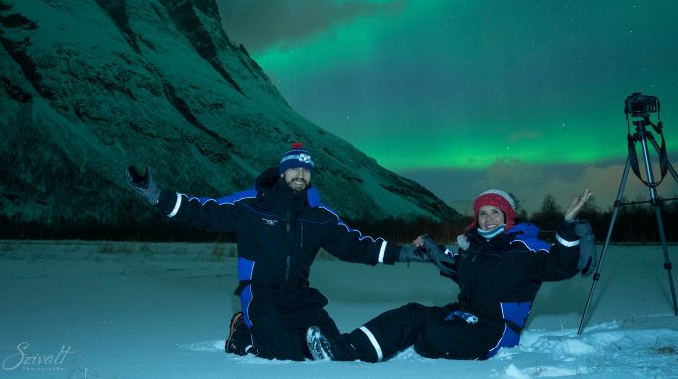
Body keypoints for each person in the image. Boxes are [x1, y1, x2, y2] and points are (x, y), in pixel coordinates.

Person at [125, 142, 427, 361]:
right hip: (261, 294)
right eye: (294, 167)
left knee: (333, 349)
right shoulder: (252, 205)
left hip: (299, 295)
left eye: (306, 169)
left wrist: (404, 254)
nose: (300, 173)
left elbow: (356, 245)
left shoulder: (318, 215)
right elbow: (205, 212)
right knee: (284, 356)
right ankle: (243, 331)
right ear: (283, 172)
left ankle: (295, 337)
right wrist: (157, 197)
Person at [306, 187, 596, 362]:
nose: (488, 218)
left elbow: (562, 265)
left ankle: (385, 346)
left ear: (507, 217)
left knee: (428, 334)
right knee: (411, 313)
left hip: (493, 332)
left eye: (495, 212)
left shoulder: (524, 248)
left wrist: (568, 225)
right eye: (483, 213)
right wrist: (431, 248)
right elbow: (454, 266)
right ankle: (344, 349)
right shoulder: (475, 248)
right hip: (464, 315)